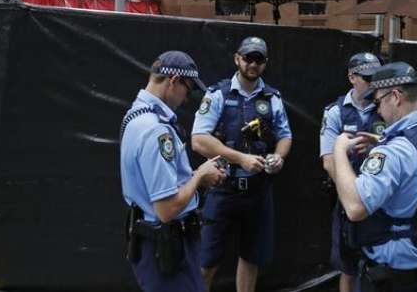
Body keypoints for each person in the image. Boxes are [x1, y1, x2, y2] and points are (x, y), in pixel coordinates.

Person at [331, 62, 417, 292]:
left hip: (390, 277)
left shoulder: (394, 151)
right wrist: (381, 144)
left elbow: (355, 207)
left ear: (396, 96)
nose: (378, 110)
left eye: (378, 101)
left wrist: (338, 149)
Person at [192, 36, 293, 292]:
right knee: (206, 262)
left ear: (265, 63)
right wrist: (241, 159)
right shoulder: (217, 94)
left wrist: (279, 157)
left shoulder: (273, 98)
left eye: (259, 59)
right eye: (248, 57)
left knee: (251, 258)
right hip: (222, 187)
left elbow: (285, 136)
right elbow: (198, 140)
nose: (253, 64)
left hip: (258, 191)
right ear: (237, 58)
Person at [120, 50, 226, 292]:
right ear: (174, 80)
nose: (186, 98)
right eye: (187, 89)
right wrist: (199, 176)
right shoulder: (156, 130)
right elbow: (166, 209)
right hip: (167, 245)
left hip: (154, 243)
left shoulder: (135, 117)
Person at [320, 52, 384, 292]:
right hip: (350, 202)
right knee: (348, 268)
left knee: (382, 267)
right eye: (366, 77)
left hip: (380, 200)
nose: (372, 83)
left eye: (376, 77)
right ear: (351, 77)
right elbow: (328, 161)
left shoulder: (385, 107)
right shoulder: (336, 112)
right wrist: (353, 197)